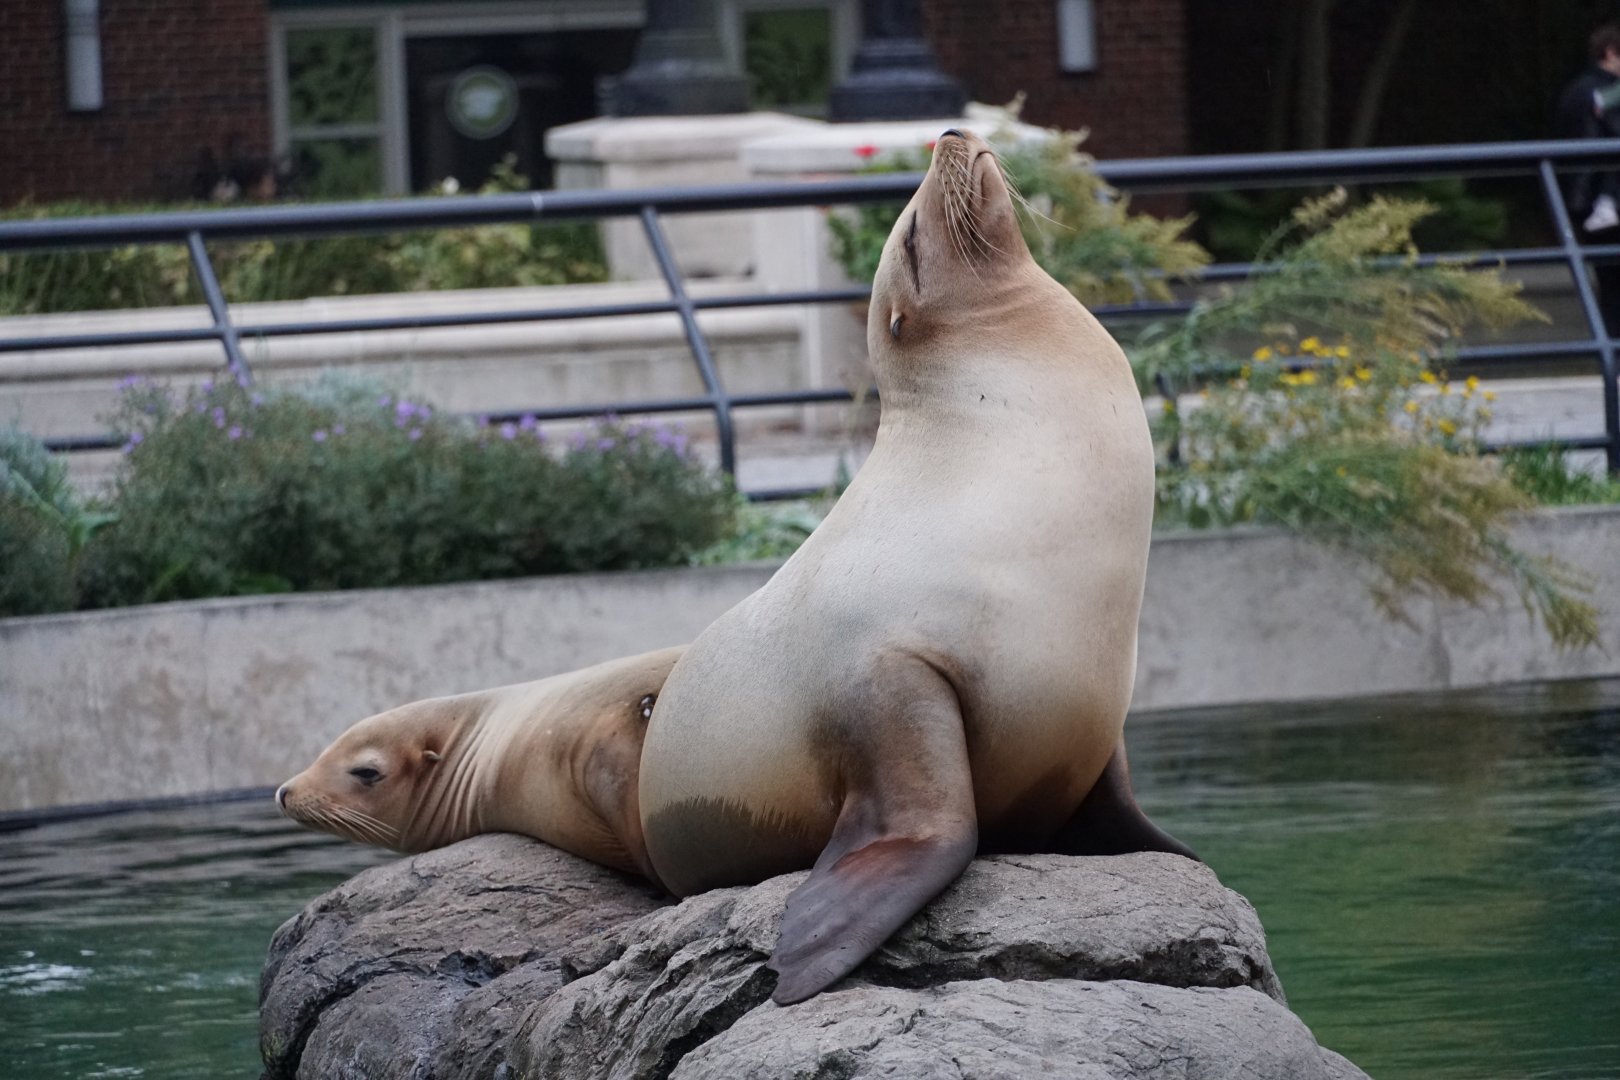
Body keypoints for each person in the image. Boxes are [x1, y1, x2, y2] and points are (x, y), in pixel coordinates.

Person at [1555, 23, 1620, 333]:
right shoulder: (1608, 92)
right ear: (1610, 53)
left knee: (1609, 285)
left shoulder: (1574, 90)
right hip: (1606, 200)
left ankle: (1614, 365)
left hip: (1581, 199)